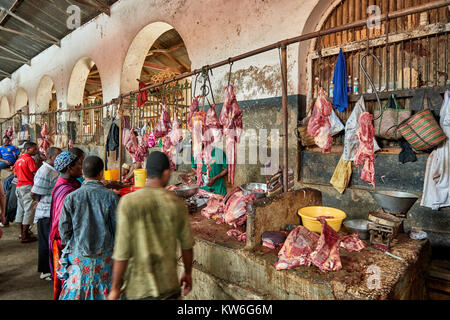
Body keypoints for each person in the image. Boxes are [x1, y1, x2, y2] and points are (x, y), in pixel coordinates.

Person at [108, 151, 194, 300]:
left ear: (147, 173)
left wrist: (115, 288)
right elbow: (187, 246)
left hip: (138, 289)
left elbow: (122, 250)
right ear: (166, 174)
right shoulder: (177, 204)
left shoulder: (128, 202)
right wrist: (187, 273)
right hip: (169, 288)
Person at [57, 156, 119, 300]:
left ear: (83, 173)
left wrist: (74, 243)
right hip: (105, 256)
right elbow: (117, 229)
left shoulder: (71, 197)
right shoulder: (111, 196)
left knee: (78, 290)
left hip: (79, 255)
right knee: (103, 288)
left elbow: (64, 231)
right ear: (101, 173)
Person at [49, 152, 82, 300]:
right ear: (70, 167)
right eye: (79, 165)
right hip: (62, 240)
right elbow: (63, 223)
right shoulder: (66, 190)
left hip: (64, 238)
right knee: (65, 280)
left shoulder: (70, 183)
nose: (82, 168)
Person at [31, 147, 62, 281]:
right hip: (45, 212)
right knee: (45, 242)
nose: (59, 159)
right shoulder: (45, 171)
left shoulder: (53, 170)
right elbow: (34, 192)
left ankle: (50, 268)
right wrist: (39, 201)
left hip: (51, 211)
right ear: (50, 157)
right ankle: (45, 270)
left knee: (50, 241)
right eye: (58, 157)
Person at [13, 141, 39, 243]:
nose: (36, 151)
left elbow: (15, 175)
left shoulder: (19, 159)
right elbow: (35, 173)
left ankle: (22, 233)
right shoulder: (29, 159)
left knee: (21, 209)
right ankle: (25, 235)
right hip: (27, 186)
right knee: (29, 210)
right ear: (28, 149)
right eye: (34, 149)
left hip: (19, 186)